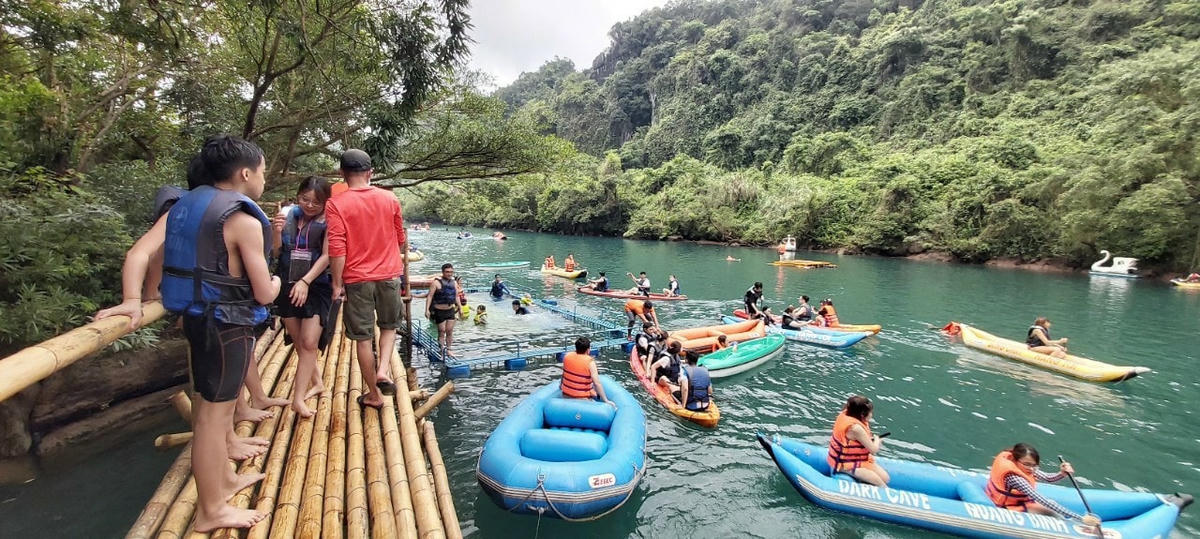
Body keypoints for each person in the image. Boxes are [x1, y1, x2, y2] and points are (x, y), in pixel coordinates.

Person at [97, 135, 277, 530]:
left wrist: (133, 299)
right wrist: (278, 281)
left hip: (197, 320)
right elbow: (263, 291)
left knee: (215, 409)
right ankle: (211, 510)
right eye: (263, 171)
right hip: (227, 325)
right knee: (213, 420)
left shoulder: (181, 207)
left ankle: (224, 481)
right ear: (245, 173)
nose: (263, 179)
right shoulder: (243, 221)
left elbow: (138, 254)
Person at [327, 148, 408, 411]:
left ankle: (373, 393)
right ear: (370, 173)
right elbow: (401, 238)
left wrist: (337, 284)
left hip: (356, 279)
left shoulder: (336, 204)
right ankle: (383, 369)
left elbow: (337, 248)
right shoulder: (390, 199)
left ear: (342, 174)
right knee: (388, 326)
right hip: (389, 275)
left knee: (362, 338)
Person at [271, 176, 334, 418]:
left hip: (315, 285)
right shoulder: (287, 214)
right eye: (305, 199)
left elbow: (327, 255)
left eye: (316, 203)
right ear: (298, 196)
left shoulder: (329, 220)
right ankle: (316, 382)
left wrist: (306, 281)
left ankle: (298, 399)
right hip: (286, 282)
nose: (309, 205)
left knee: (309, 342)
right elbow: (276, 251)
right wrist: (276, 232)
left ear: (325, 203)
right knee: (298, 341)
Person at [985, 443, 1101, 528]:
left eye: (1034, 465)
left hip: (1018, 502)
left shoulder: (1025, 468)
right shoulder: (1015, 478)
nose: (1031, 469)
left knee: (1052, 504)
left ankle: (1077, 524)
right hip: (1008, 507)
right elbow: (1042, 500)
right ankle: (1077, 529)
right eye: (1027, 465)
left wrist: (1062, 473)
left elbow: (1047, 478)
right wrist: (1081, 518)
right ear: (1015, 460)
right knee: (1051, 509)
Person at [827, 395, 889, 487]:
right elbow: (873, 450)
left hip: (856, 459)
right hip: (844, 463)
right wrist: (877, 440)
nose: (871, 415)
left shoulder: (847, 413)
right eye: (870, 412)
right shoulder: (855, 428)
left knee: (885, 478)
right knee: (880, 483)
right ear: (862, 414)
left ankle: (862, 483)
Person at [560, 337, 615, 407]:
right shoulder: (590, 362)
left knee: (594, 393)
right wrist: (606, 400)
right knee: (613, 408)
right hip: (582, 400)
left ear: (576, 348)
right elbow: (596, 383)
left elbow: (564, 374)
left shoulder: (567, 356)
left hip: (565, 396)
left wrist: (560, 385)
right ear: (588, 350)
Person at [426, 264, 464, 355]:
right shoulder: (436, 283)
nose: (449, 274)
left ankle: (449, 349)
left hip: (450, 309)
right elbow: (430, 296)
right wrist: (427, 309)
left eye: (451, 272)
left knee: (449, 330)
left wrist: (460, 308)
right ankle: (441, 349)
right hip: (439, 311)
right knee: (442, 331)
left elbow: (456, 296)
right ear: (443, 272)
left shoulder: (454, 282)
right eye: (447, 272)